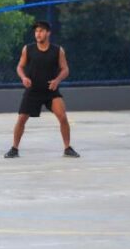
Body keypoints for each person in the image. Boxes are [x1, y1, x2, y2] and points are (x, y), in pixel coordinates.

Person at [4, 20, 79, 159]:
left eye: (41, 31)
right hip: (32, 91)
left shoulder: (58, 51)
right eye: (36, 31)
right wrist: (23, 78)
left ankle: (67, 148)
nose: (38, 34)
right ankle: (14, 149)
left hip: (50, 91)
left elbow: (65, 69)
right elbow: (19, 67)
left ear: (48, 33)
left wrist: (57, 80)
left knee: (63, 117)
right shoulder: (28, 49)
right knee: (21, 119)